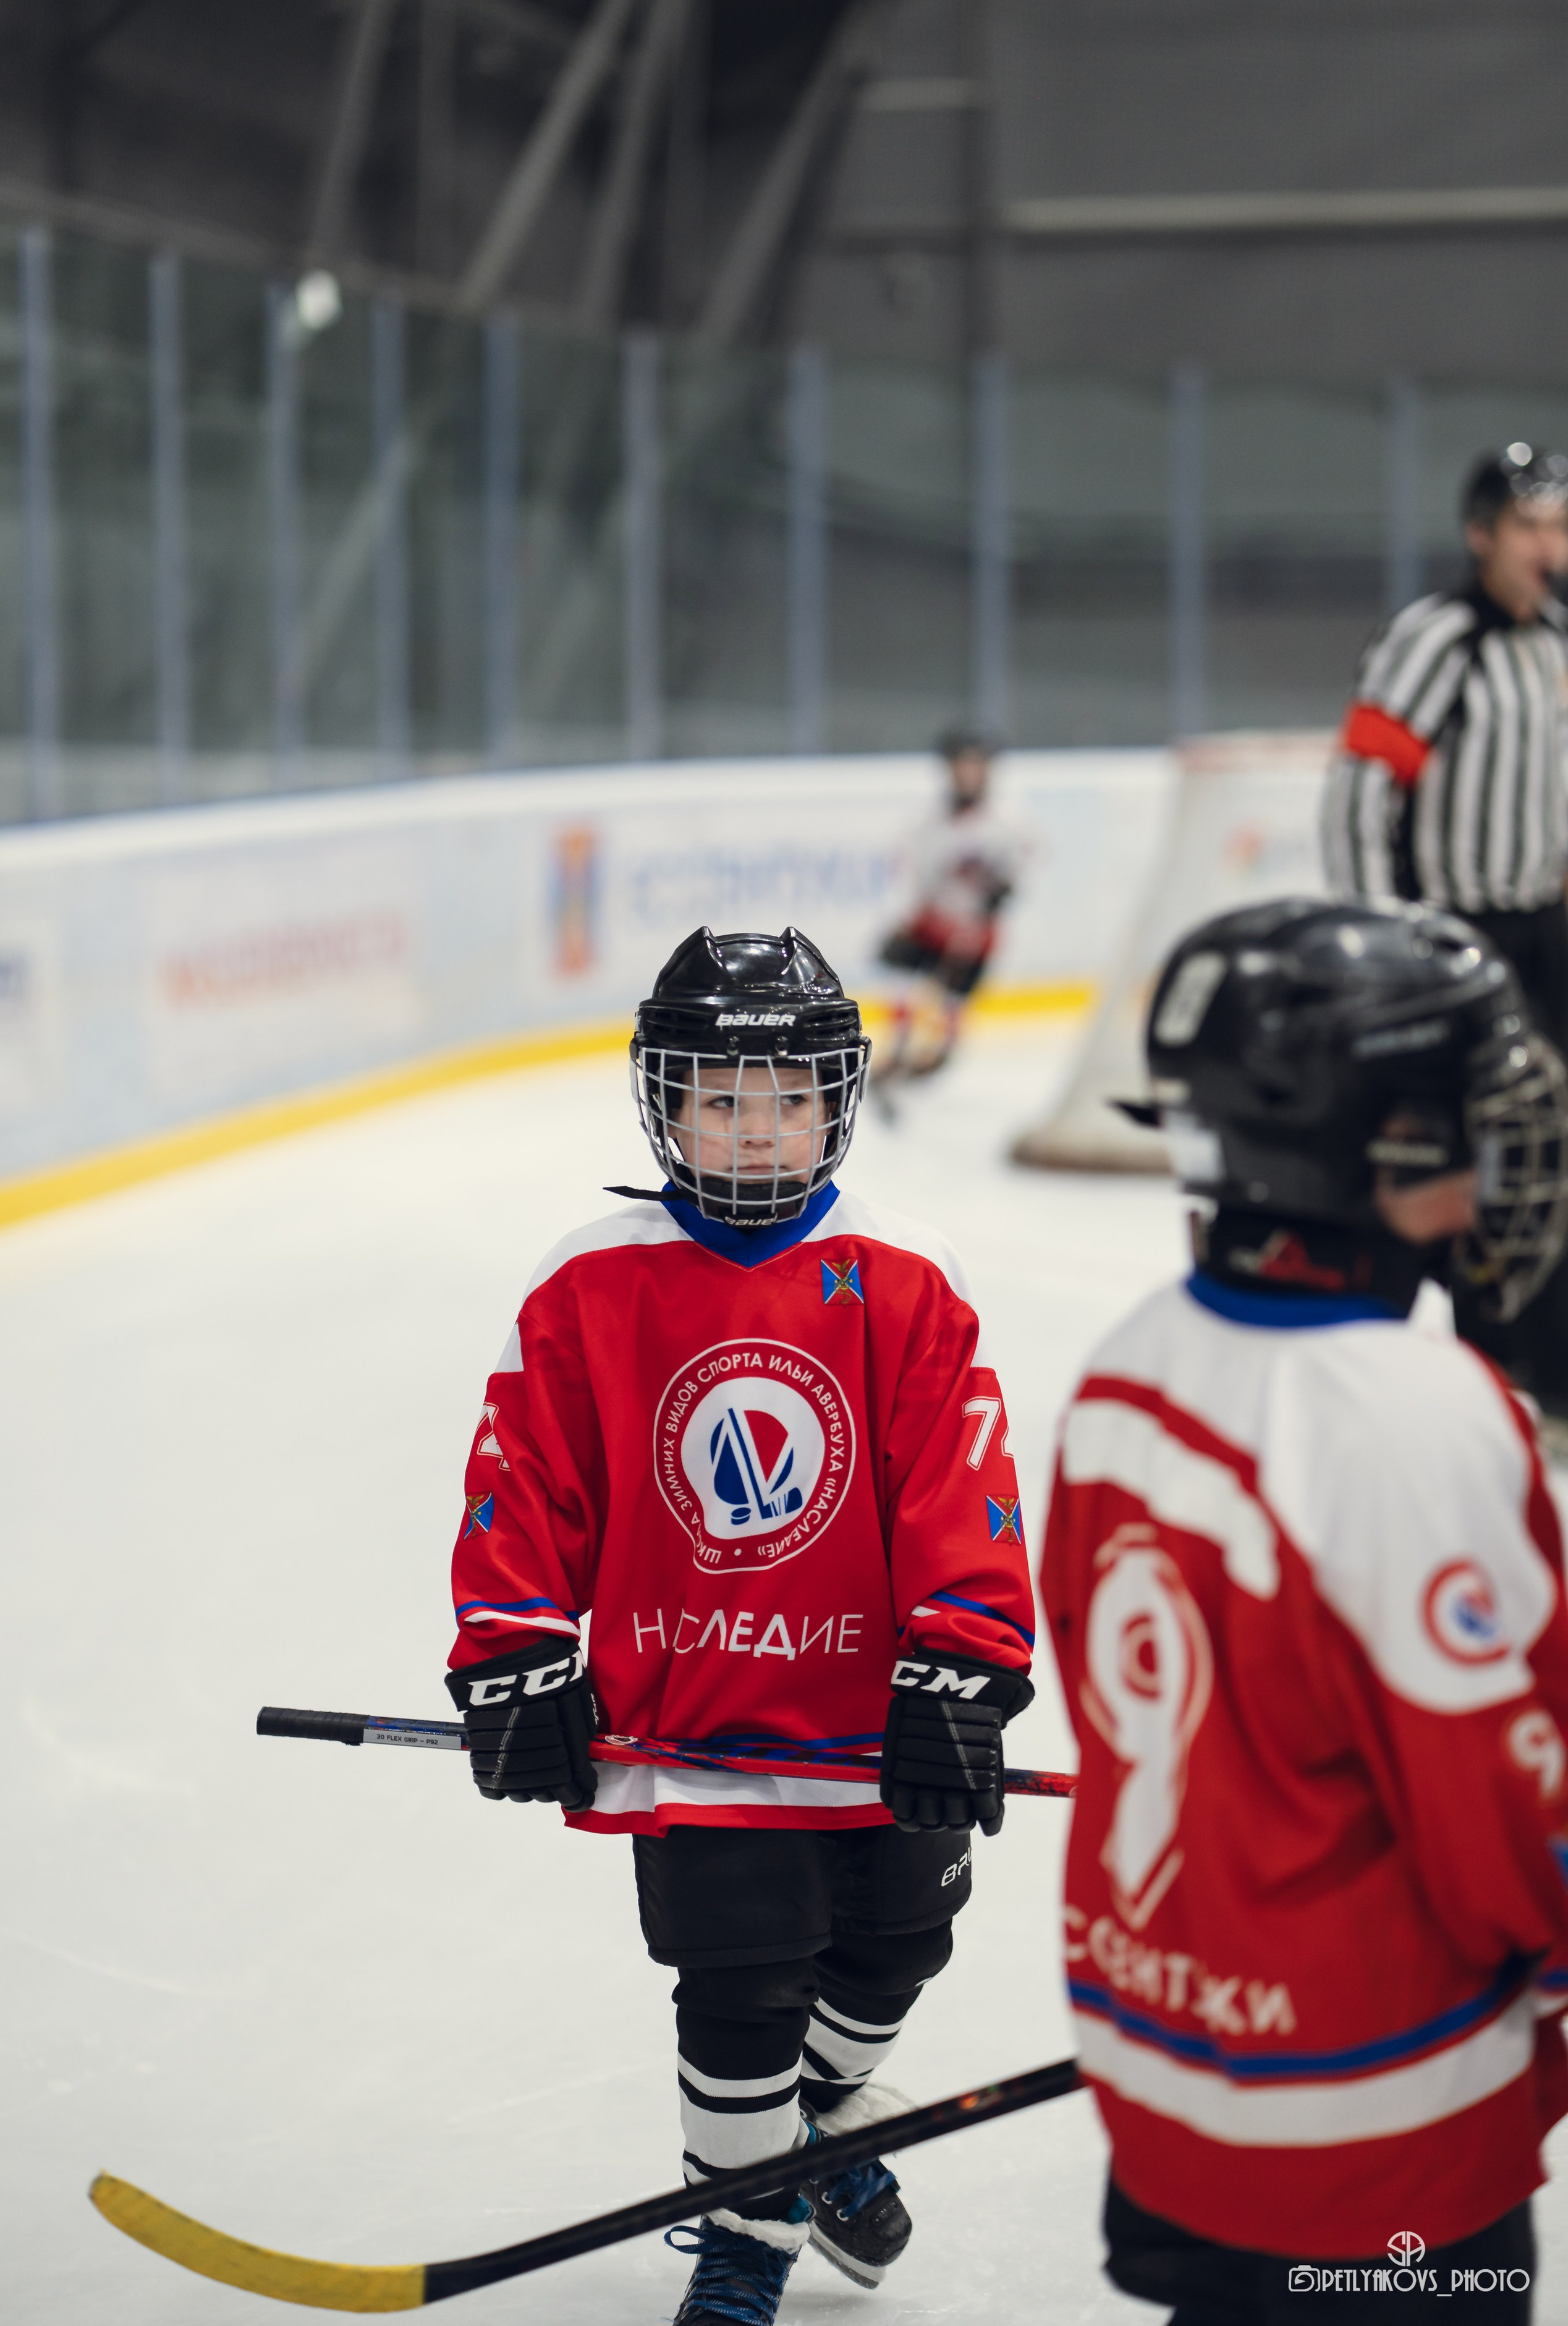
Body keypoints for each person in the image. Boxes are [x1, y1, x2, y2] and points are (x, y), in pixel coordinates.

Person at [444, 925, 1034, 2326]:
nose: (756, 1130)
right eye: (719, 1096)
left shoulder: (903, 1270)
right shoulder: (592, 1276)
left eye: (786, 1099)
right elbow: (524, 1473)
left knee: (900, 1944)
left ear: (836, 1099)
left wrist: (965, 1656)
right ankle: (740, 2237)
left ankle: (812, 2130)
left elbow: (964, 1475)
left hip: (874, 1716)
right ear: (663, 1099)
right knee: (736, 1989)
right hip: (691, 1724)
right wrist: (514, 1648)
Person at [1041, 895, 1568, 2325]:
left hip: (1161, 2060)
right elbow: (1496, 1828)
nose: (1497, 1147)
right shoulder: (1410, 1415)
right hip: (1364, 2126)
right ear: (1367, 1147)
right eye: (1459, 1114)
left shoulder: (1125, 1362)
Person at [1320, 443, 1568, 1426]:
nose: (1550, 547)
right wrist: (1386, 943)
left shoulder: (1555, 641)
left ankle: (1535, 1368)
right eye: (1531, 528)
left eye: (1561, 526)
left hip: (1546, 937)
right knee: (1439, 1161)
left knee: (1547, 1151)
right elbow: (1357, 798)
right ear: (1481, 537)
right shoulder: (1435, 641)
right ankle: (1392, 1367)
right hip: (1453, 941)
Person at [872, 727, 1028, 1116]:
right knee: (897, 957)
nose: (970, 775)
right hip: (936, 920)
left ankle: (944, 1046)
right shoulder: (929, 822)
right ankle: (904, 1040)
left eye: (977, 766)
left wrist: (984, 913)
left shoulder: (1007, 822)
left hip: (974, 928)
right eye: (963, 766)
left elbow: (1015, 878)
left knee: (960, 983)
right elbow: (914, 878)